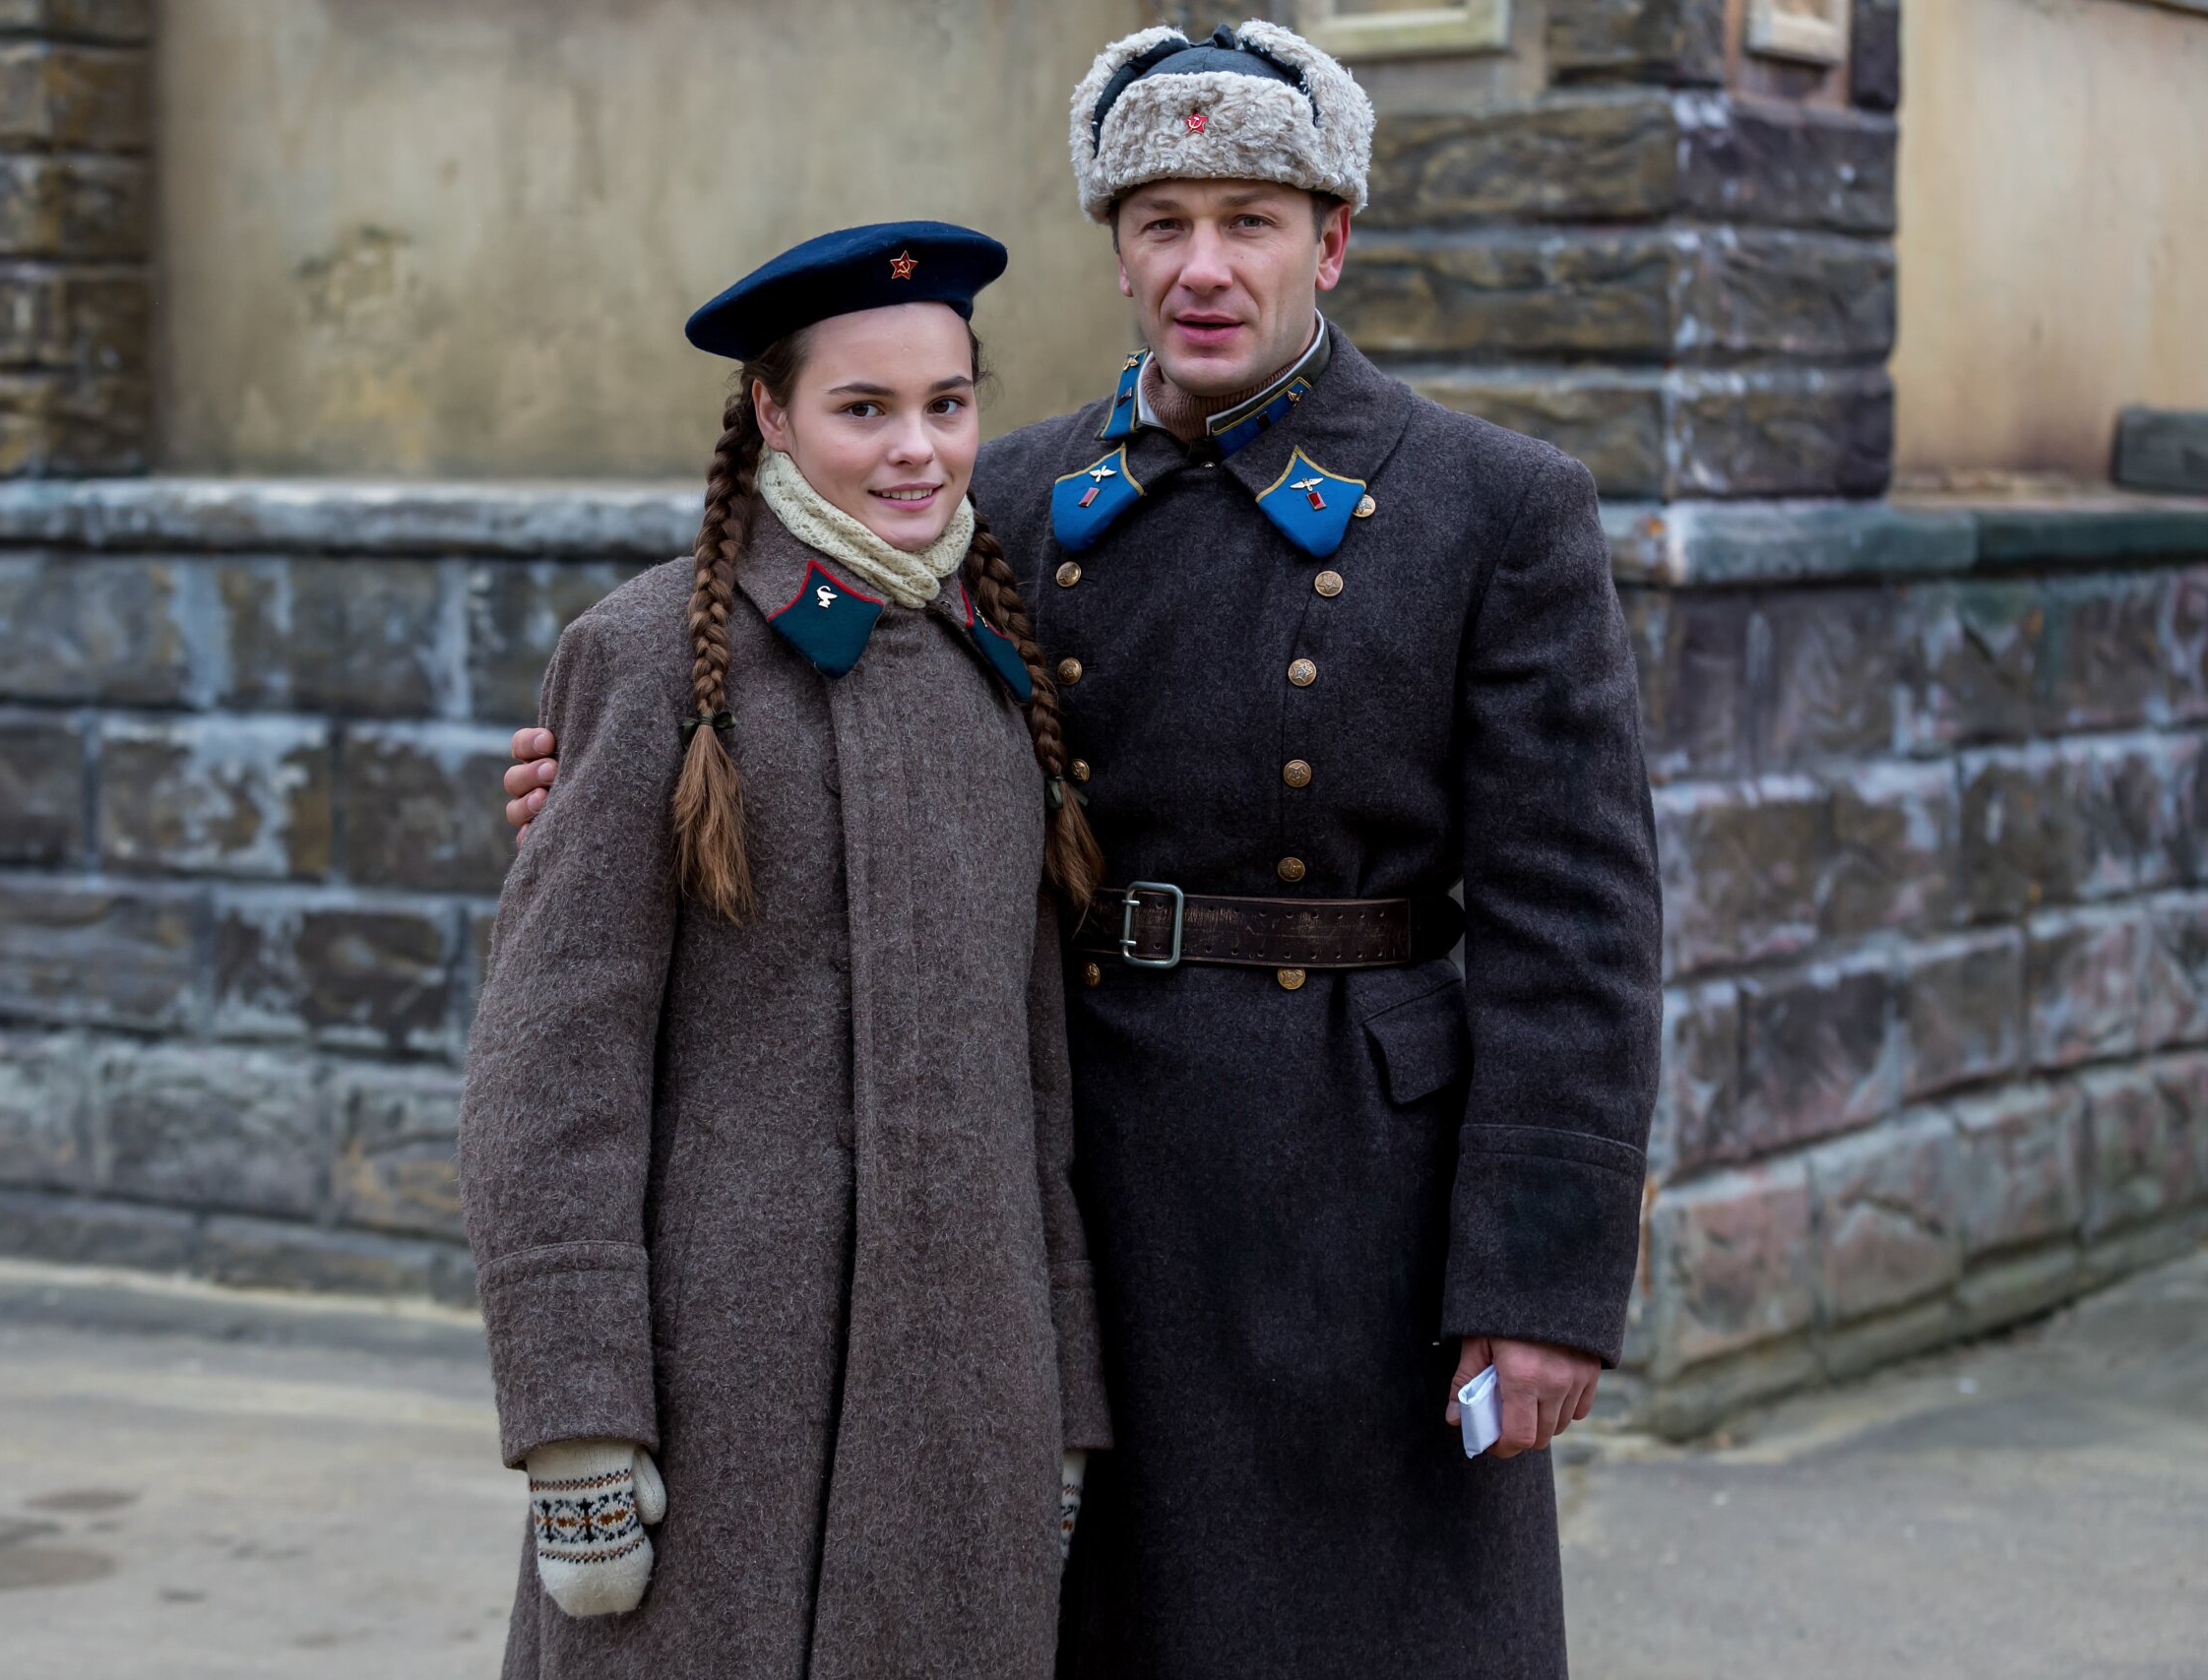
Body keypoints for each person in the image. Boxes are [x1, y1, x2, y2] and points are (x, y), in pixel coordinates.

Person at [505, 23, 1663, 1678]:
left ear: (1332, 239)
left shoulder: (1495, 505)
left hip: (1360, 1203)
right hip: (1062, 1176)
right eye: (1162, 222)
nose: (1204, 267)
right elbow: (778, 697)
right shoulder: (1009, 498)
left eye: (1251, 220)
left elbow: (1579, 925)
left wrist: (1541, 1276)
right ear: (1115, 249)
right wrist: (592, 781)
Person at [459, 221, 1110, 1680]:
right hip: (715, 1401)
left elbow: (1037, 1088)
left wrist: (1059, 1403)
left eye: (947, 404)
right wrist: (575, 1423)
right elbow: (552, 1067)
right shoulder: (650, 657)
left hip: (964, 1406)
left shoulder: (996, 677)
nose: (916, 451)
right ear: (769, 411)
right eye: (862, 408)